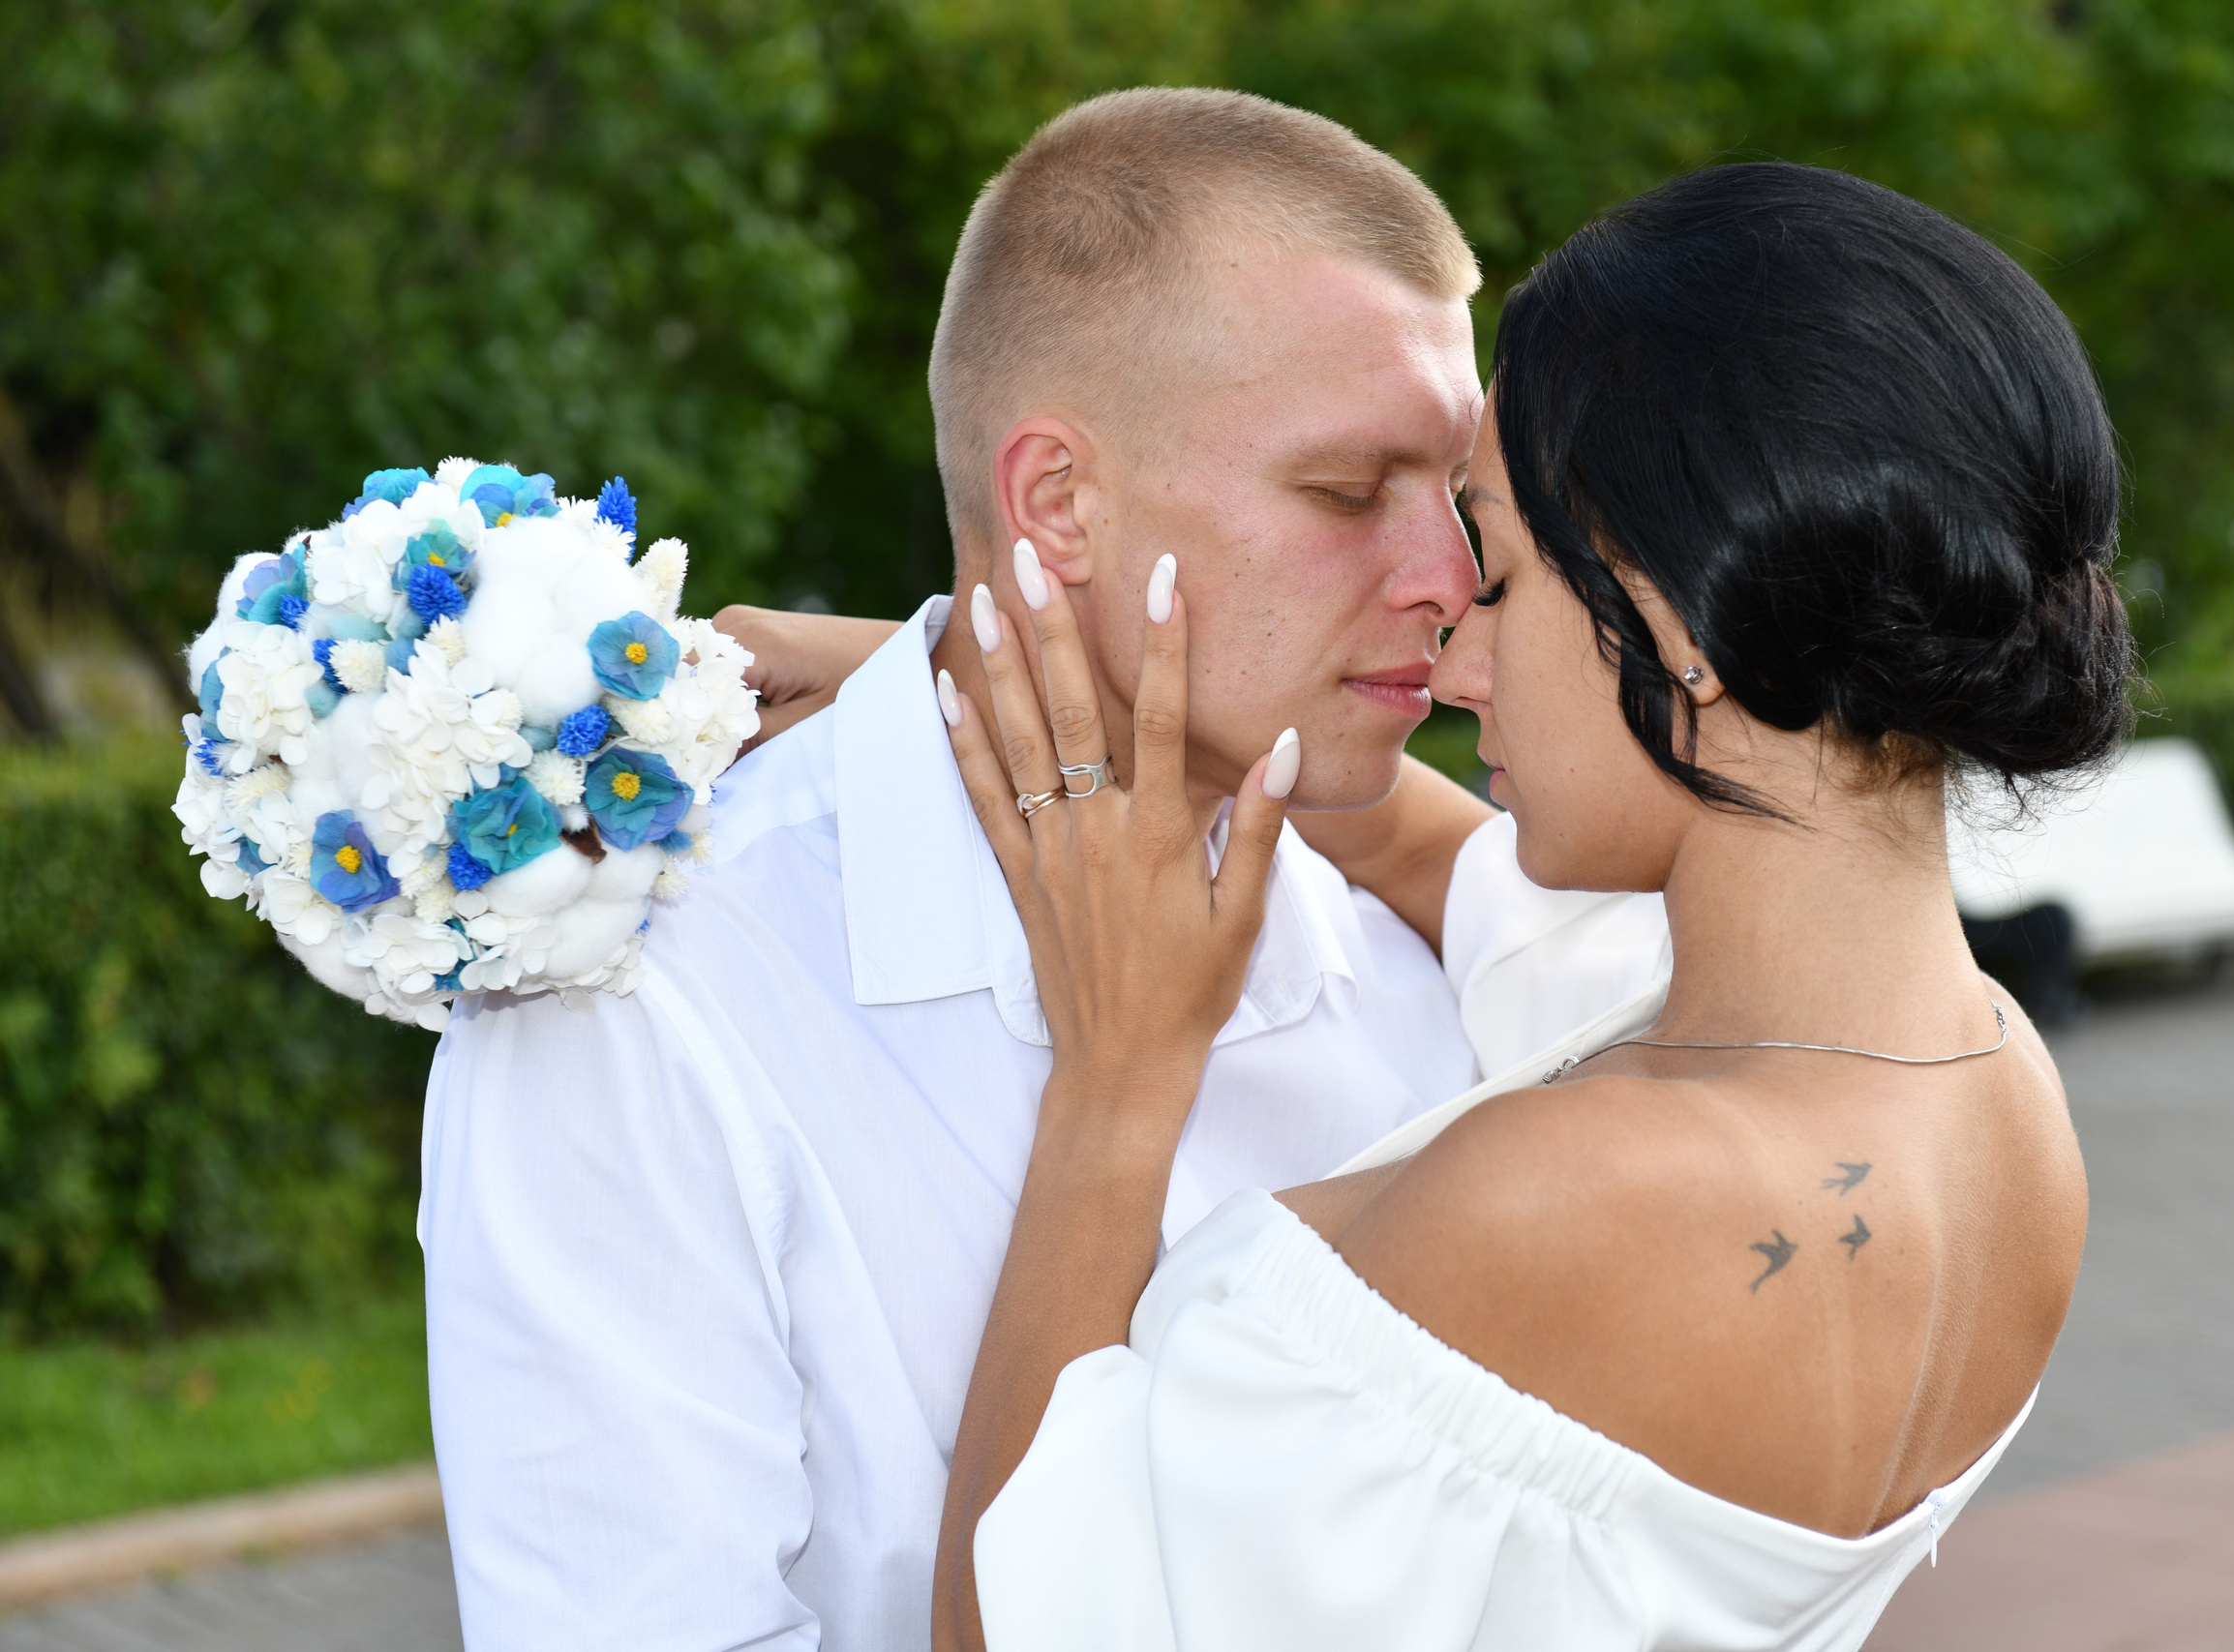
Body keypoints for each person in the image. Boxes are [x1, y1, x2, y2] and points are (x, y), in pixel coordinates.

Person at [418, 88, 1666, 1650]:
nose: (1446, 581)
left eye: (1456, 497)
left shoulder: (1436, 947)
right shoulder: (641, 995)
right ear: (1057, 504)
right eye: (1349, 494)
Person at [911, 162, 2124, 1649]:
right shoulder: (1985, 1091)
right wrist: (942, 669)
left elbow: (999, 1624)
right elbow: (1428, 852)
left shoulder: (1565, 1199)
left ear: (1679, 621)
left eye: (1497, 579)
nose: (1452, 661)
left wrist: (1120, 1076)